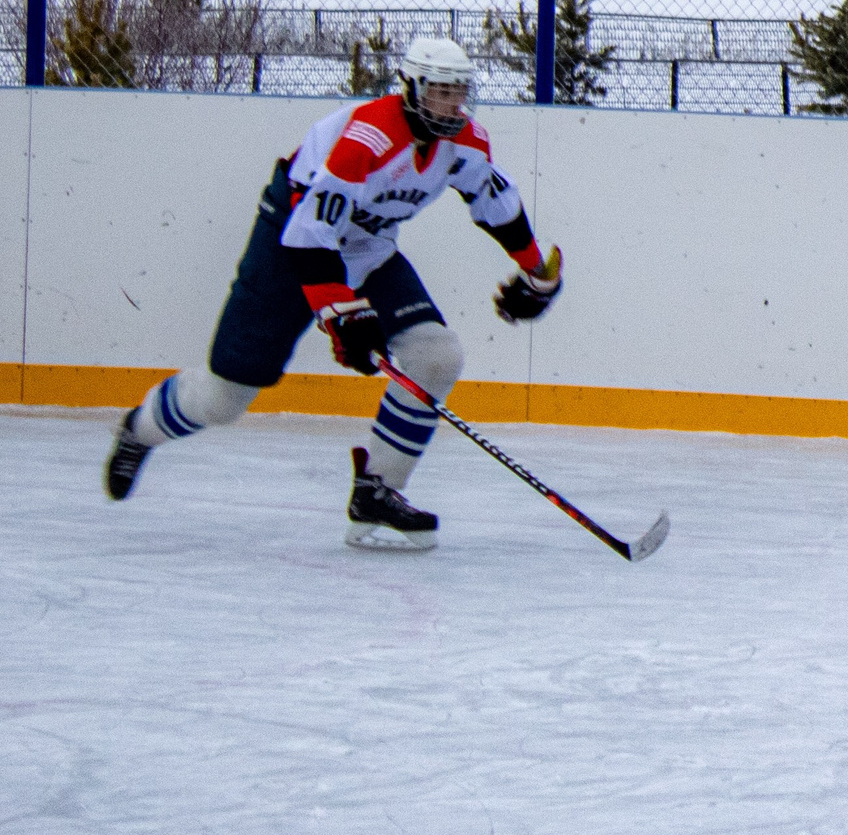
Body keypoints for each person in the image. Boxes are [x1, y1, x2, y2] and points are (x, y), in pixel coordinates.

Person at [103, 36, 564, 548]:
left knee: (436, 355)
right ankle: (138, 430)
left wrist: (538, 275)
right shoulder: (366, 138)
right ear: (411, 88)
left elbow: (496, 205)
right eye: (440, 92)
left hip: (366, 245)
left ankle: (378, 489)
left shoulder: (467, 141)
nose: (452, 105)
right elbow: (310, 235)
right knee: (225, 397)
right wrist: (340, 315)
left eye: (460, 92)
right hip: (290, 240)